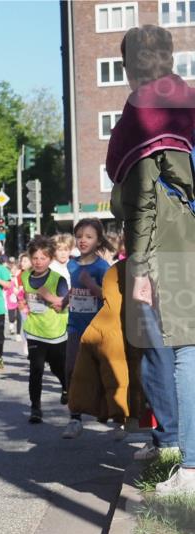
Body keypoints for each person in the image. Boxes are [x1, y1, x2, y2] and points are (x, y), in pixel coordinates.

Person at [107, 23, 195, 493]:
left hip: (163, 245)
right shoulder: (189, 97)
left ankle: (185, 461)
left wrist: (138, 264)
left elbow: (139, 198)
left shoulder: (144, 108)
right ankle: (178, 448)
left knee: (174, 351)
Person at [63, 219, 113, 439]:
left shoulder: (103, 267)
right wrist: (63, 301)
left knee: (100, 372)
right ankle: (75, 419)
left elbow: (108, 296)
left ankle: (106, 410)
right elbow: (74, 290)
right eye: (79, 236)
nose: (83, 240)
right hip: (75, 325)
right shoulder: (72, 265)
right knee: (71, 369)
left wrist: (92, 285)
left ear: (98, 240)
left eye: (89, 236)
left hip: (97, 327)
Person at [21, 236, 70, 425]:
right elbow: (24, 296)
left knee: (58, 367)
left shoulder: (58, 279)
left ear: (50, 259)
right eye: (35, 258)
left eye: (43, 258)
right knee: (36, 369)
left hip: (56, 332)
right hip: (34, 330)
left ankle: (66, 387)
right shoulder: (25, 276)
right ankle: (35, 408)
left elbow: (64, 306)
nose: (38, 262)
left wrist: (47, 296)